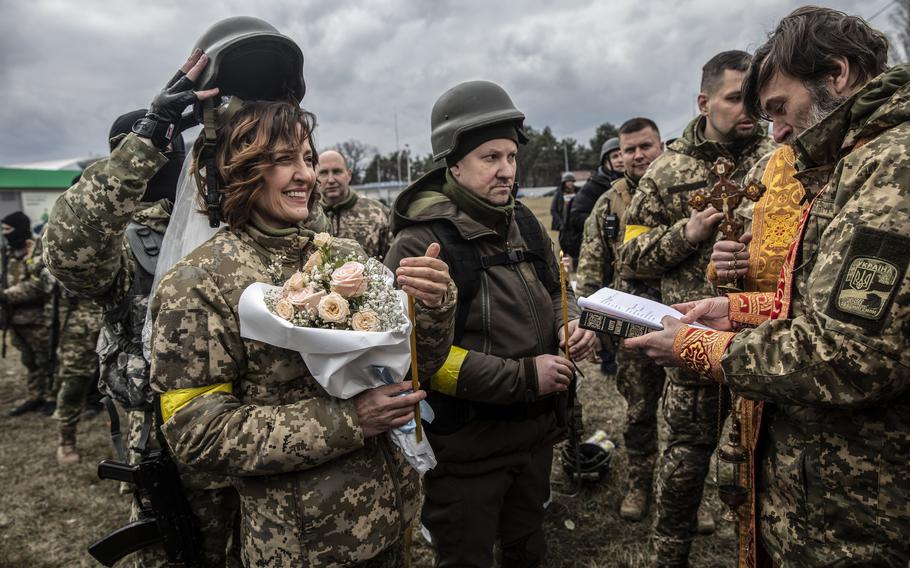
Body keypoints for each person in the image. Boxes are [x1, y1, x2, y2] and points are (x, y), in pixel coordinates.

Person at [627, 7, 910, 566]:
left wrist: (695, 345)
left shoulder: (891, 168)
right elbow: (818, 301)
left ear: (836, 74)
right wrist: (739, 309)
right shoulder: (853, 161)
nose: (775, 131)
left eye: (780, 109)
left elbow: (855, 353)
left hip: (864, 499)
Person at [145, 92, 455, 567]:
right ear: (241, 168)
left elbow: (415, 368)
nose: (307, 175)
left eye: (308, 158)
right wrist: (350, 421)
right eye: (284, 160)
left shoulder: (343, 253)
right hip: (306, 545)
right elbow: (196, 434)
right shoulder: (198, 282)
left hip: (398, 518)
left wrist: (433, 306)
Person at [385, 80, 597, 568]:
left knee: (528, 546)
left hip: (537, 433)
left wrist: (569, 324)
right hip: (467, 453)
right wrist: (525, 377)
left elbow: (554, 290)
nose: (507, 171)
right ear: (453, 165)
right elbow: (414, 361)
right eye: (490, 158)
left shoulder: (523, 220)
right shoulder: (421, 244)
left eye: (511, 156)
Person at [619, 50, 776, 566]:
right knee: (685, 461)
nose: (748, 108)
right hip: (688, 341)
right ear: (704, 101)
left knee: (761, 464)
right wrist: (685, 235)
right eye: (735, 98)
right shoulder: (666, 172)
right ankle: (670, 555)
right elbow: (631, 256)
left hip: (761, 340)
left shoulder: (778, 159)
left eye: (754, 97)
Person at [575, 117, 665, 522]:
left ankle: (681, 492)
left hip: (685, 320)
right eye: (629, 150)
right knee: (638, 411)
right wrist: (592, 329)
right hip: (632, 329)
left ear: (660, 145)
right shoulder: (609, 203)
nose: (637, 155)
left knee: (689, 418)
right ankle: (640, 483)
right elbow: (591, 270)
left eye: (645, 146)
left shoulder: (681, 192)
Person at [2, 212, 54, 417]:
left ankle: (50, 397)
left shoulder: (34, 253)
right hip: (15, 320)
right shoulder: (6, 254)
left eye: (8, 229)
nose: (5, 234)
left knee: (47, 360)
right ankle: (35, 395)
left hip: (38, 318)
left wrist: (6, 295)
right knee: (29, 360)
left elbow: (39, 284)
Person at [317, 149, 391, 259]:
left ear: (349, 175)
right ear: (315, 176)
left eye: (337, 171)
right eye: (323, 173)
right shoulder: (307, 216)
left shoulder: (378, 213)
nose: (331, 179)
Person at [561, 137, 623, 266]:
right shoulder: (593, 186)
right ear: (606, 161)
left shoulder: (634, 181)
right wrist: (607, 222)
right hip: (602, 251)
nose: (620, 160)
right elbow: (576, 216)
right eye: (615, 156)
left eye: (622, 154)